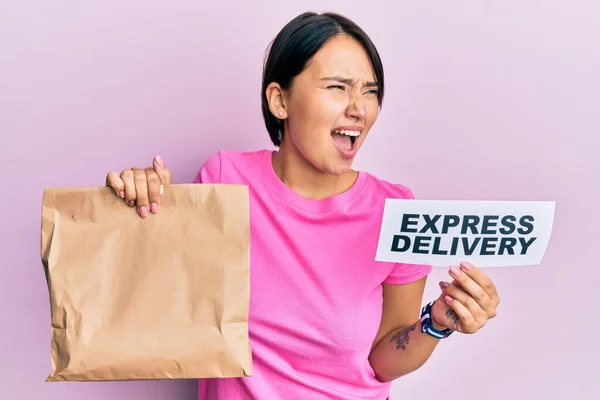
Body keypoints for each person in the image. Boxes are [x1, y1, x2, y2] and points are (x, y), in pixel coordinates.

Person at [105, 11, 500, 400]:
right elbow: (165, 301)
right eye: (338, 87)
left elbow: (382, 360)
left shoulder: (395, 210)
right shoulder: (226, 180)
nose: (359, 108)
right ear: (280, 100)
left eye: (370, 91)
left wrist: (437, 323)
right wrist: (144, 202)